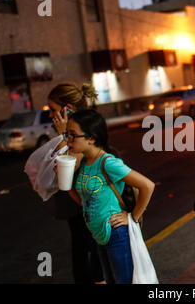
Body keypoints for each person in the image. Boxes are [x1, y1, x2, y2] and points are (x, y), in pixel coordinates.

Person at [66, 109, 155, 284]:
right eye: (66, 134)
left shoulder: (108, 163)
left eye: (73, 135)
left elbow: (147, 185)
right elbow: (85, 202)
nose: (68, 140)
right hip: (99, 235)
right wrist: (66, 183)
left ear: (91, 138)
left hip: (116, 234)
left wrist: (132, 217)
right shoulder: (84, 163)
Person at [47, 82, 105, 284]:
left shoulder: (83, 134)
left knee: (92, 265)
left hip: (86, 208)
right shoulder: (73, 133)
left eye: (52, 109)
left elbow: (74, 162)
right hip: (76, 208)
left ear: (68, 108)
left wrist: (64, 136)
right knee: (82, 260)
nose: (50, 115)